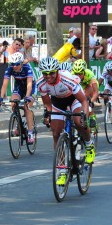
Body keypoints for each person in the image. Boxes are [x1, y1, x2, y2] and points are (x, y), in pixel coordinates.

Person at [37, 57, 94, 187]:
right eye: (45, 73)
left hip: (74, 100)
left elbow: (84, 100)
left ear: (57, 71)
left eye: (51, 73)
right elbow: (47, 104)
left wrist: (84, 116)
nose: (48, 76)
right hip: (57, 102)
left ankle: (89, 144)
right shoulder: (41, 83)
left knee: (79, 123)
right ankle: (62, 169)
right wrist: (48, 116)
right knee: (56, 133)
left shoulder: (67, 79)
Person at [0, 52, 36, 143]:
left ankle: (31, 132)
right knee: (13, 102)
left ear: (21, 63)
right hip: (19, 86)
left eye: (17, 64)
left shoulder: (27, 68)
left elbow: (29, 85)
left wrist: (27, 97)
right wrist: (1, 97)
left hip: (30, 87)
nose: (14, 66)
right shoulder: (10, 69)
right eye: (12, 64)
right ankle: (18, 121)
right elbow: (4, 85)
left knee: (26, 107)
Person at [71, 59, 99, 128]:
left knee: (85, 96)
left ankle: (92, 116)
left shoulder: (89, 74)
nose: (78, 75)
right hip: (80, 86)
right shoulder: (71, 74)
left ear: (84, 71)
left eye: (80, 73)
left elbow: (96, 92)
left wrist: (91, 102)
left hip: (89, 86)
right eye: (76, 73)